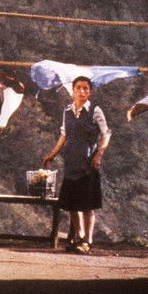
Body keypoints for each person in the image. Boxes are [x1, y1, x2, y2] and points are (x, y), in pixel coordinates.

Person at [43, 75, 111, 253]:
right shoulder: (67, 111)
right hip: (71, 162)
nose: (82, 91)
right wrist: (52, 154)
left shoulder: (95, 110)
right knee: (72, 205)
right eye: (78, 88)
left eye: (85, 88)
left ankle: (87, 241)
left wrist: (98, 155)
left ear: (90, 91)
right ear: (73, 90)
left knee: (87, 206)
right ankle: (79, 237)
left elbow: (106, 134)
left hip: (88, 164)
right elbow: (64, 135)